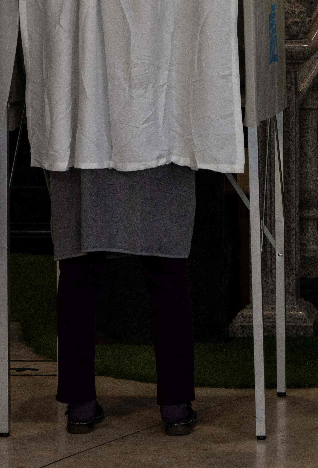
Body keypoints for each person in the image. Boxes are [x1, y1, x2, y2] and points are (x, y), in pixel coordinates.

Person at [49, 165, 200, 436]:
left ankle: (80, 404)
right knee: (166, 263)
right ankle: (175, 406)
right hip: (157, 144)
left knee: (80, 263)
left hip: (86, 149)